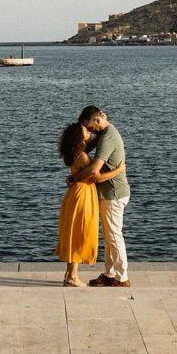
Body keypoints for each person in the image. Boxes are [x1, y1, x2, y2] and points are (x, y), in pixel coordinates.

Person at [56, 121, 127, 287]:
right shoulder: (82, 156)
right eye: (86, 132)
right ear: (80, 138)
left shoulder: (76, 152)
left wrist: (103, 133)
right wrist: (119, 170)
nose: (89, 133)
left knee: (74, 233)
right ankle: (72, 276)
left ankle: (69, 274)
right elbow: (97, 175)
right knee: (79, 234)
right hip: (83, 195)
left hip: (76, 194)